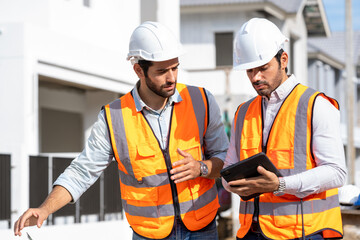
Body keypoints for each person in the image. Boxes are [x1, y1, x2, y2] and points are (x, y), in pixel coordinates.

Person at [14, 21, 229, 240]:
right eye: (162, 71)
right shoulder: (113, 117)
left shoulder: (201, 100)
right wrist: (45, 209)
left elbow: (226, 158)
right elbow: (82, 171)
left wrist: (201, 167)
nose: (172, 78)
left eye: (175, 68)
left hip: (202, 229)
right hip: (149, 234)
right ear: (139, 70)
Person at [222, 18, 347, 240]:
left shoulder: (316, 105)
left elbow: (337, 172)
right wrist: (233, 184)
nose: (256, 77)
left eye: (263, 68)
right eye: (250, 70)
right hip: (252, 231)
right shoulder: (243, 112)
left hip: (303, 232)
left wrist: (280, 185)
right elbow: (228, 169)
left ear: (283, 59)